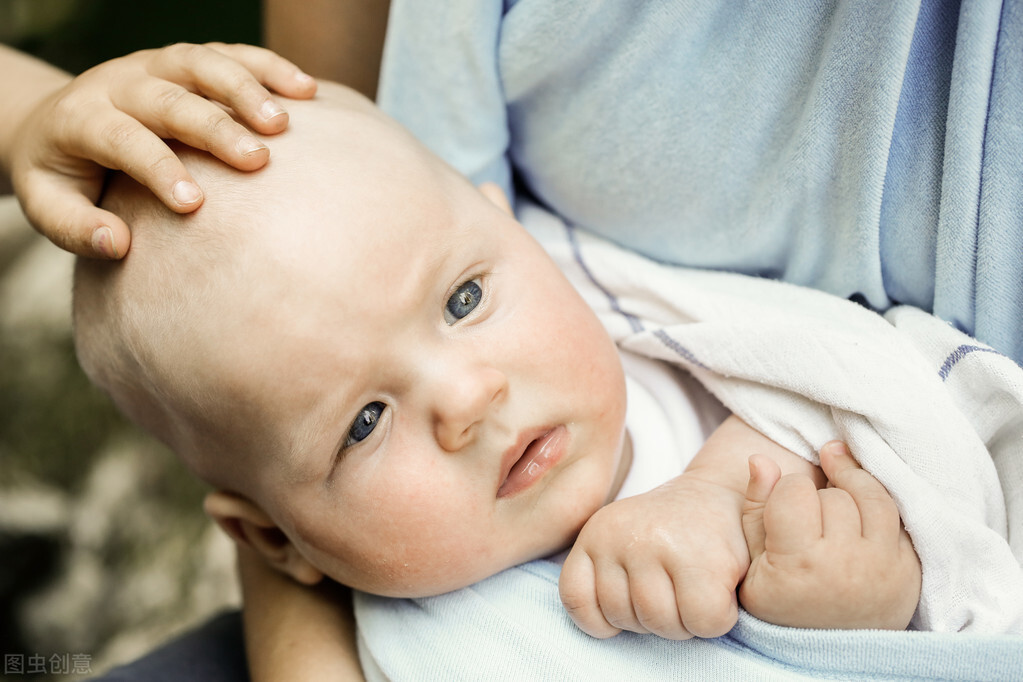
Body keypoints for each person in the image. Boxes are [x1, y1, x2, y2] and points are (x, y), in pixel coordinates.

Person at [71, 79, 921, 658]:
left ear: (515, 232)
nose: (468, 398)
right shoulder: (406, 651)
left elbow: (892, 411)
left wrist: (851, 605)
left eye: (464, 301)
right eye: (363, 423)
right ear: (276, 540)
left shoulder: (709, 376)